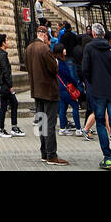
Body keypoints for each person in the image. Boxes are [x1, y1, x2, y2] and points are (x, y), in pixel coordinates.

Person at [81, 22, 111, 170]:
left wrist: (92, 82)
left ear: (93, 34)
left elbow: (85, 70)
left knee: (100, 123)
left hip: (97, 91)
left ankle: (107, 157)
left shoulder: (89, 49)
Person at [26, 26, 66, 165]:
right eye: (47, 36)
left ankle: (44, 152)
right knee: (50, 123)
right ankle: (51, 155)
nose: (48, 39)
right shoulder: (44, 49)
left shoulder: (29, 48)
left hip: (36, 90)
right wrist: (56, 61)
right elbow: (53, 68)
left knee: (42, 123)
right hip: (48, 91)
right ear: (43, 35)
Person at [0, 34, 23, 137]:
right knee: (8, 105)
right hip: (5, 85)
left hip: (3, 85)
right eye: (7, 40)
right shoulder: (2, 55)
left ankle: (7, 128)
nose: (8, 42)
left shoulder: (1, 53)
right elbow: (6, 71)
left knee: (10, 104)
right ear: (3, 42)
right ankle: (3, 129)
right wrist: (10, 85)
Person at [55, 46, 81, 135]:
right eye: (63, 49)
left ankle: (62, 128)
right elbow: (68, 76)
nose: (65, 50)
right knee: (75, 106)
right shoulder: (62, 63)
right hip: (66, 88)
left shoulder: (56, 61)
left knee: (62, 108)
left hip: (59, 87)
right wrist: (75, 83)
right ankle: (78, 128)